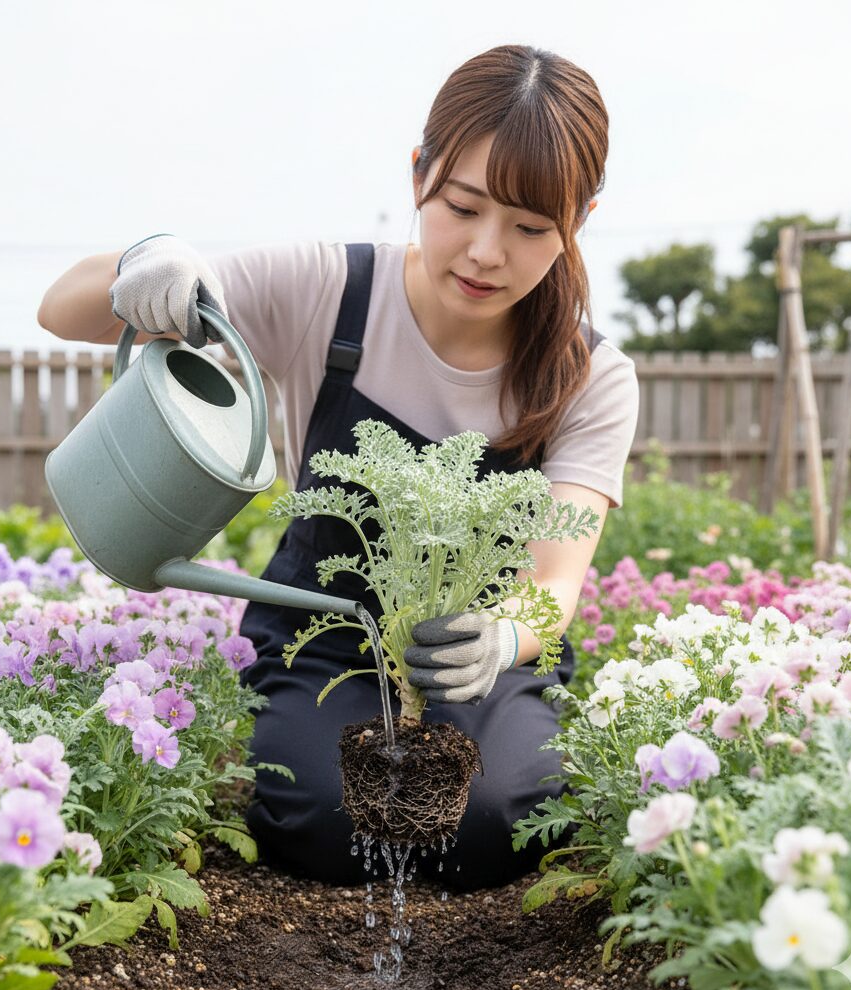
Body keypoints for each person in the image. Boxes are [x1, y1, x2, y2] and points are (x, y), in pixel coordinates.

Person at [37, 43, 639, 892]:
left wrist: (503, 636)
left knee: (501, 822)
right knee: (320, 816)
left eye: (532, 228)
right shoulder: (330, 288)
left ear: (581, 219)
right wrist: (149, 260)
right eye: (462, 206)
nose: (486, 252)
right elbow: (59, 308)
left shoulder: (591, 375)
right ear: (419, 171)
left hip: (478, 660)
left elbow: (554, 582)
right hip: (329, 639)